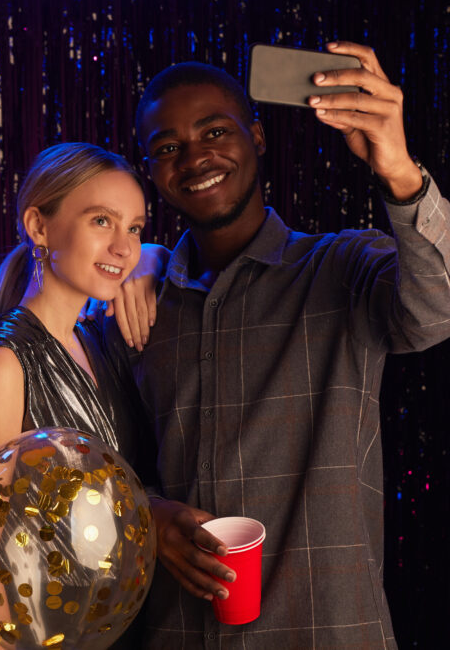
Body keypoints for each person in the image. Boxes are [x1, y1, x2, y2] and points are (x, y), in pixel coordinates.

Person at [130, 42, 450, 647]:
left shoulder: (343, 267)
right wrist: (145, 509)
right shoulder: (136, 302)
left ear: (258, 137)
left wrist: (398, 170)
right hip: (177, 632)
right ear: (152, 172)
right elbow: (97, 449)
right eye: (168, 148)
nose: (196, 157)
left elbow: (438, 309)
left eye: (216, 131)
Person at [0, 142, 155, 649]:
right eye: (102, 221)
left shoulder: (101, 346)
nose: (124, 248)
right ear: (39, 227)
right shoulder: (3, 364)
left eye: (134, 228)